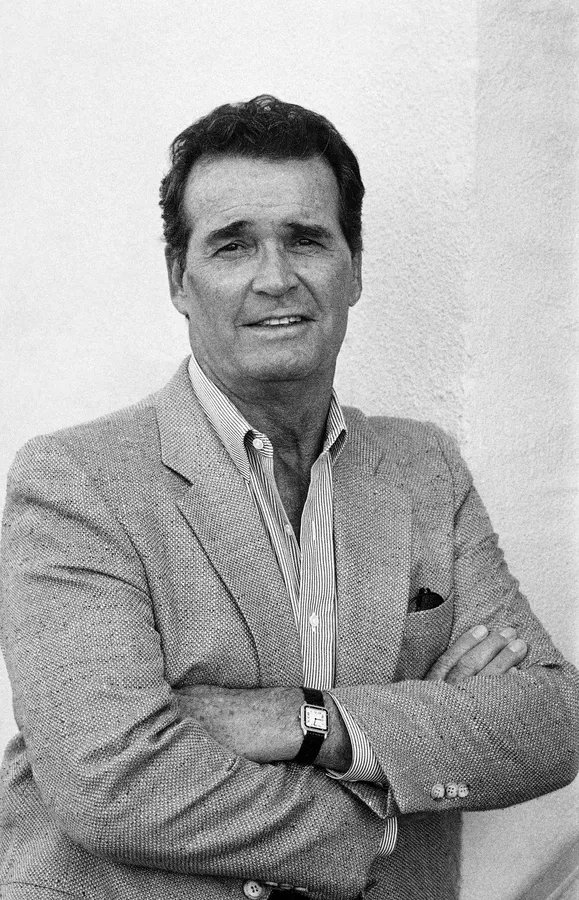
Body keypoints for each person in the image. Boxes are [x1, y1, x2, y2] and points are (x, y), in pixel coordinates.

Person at [0, 95, 577, 900]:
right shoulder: (77, 482)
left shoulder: (423, 469)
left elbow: (549, 719)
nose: (275, 278)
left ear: (354, 268)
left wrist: (302, 721)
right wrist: (387, 792)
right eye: (232, 245)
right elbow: (113, 783)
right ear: (179, 279)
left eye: (306, 239)